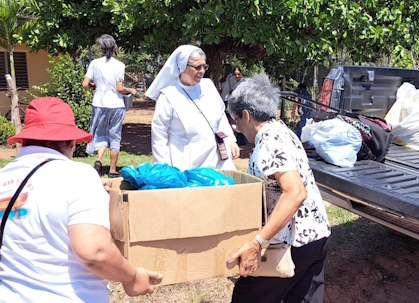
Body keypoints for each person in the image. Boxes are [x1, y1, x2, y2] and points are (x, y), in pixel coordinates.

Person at [0, 97, 161, 303]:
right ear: (71, 141)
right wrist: (133, 276)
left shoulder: (3, 177)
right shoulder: (78, 175)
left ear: (24, 140)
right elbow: (95, 251)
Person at [226, 74, 331, 303]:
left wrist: (257, 243)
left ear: (247, 114)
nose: (237, 128)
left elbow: (295, 192)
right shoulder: (282, 130)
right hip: (316, 236)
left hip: (292, 243)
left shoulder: (270, 141)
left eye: (236, 121)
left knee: (247, 297)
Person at [145, 45, 240, 171]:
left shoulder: (208, 86)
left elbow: (220, 115)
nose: (202, 71)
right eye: (197, 67)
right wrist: (163, 167)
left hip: (214, 155)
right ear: (183, 66)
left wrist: (230, 140)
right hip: (184, 159)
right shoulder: (168, 95)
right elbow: (159, 135)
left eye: (204, 66)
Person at [82, 34, 136, 178]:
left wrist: (95, 85)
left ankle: (99, 160)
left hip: (99, 104)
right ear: (115, 48)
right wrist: (130, 90)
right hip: (116, 105)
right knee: (115, 135)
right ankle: (112, 170)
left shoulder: (94, 63)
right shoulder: (119, 65)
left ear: (101, 48)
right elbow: (119, 88)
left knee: (100, 134)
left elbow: (85, 84)